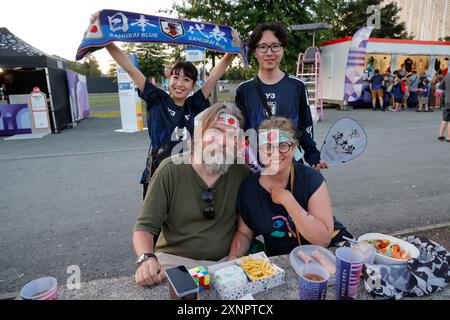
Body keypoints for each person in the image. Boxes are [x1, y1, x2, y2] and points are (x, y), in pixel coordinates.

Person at [90, 13, 236, 200]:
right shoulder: (157, 99)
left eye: (186, 79)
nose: (180, 83)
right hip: (158, 174)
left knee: (185, 224)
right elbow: (130, 68)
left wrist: (231, 50)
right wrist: (106, 40)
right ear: (169, 79)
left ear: (193, 85)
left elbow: (215, 75)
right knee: (155, 226)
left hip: (189, 176)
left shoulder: (196, 104)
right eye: (176, 77)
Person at [133, 102, 249, 286]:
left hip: (222, 264)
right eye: (215, 131)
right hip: (172, 263)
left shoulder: (241, 172)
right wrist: (147, 259)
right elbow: (144, 228)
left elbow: (244, 231)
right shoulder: (170, 170)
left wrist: (231, 262)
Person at [227, 117, 352, 259]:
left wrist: (288, 200)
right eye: (268, 146)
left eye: (283, 145)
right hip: (283, 260)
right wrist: (230, 262)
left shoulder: (311, 179)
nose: (275, 153)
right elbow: (244, 233)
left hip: (330, 252)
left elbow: (323, 240)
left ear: (293, 148)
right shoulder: (249, 188)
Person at [235, 22, 327, 171]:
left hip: (290, 164)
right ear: (255, 51)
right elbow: (240, 133)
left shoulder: (297, 86)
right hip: (255, 168)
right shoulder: (244, 90)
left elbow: (304, 127)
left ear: (283, 49)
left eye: (275, 46)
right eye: (262, 47)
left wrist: (313, 155)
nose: (269, 53)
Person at [437, 72, 450, 142]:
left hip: (447, 100)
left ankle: (440, 135)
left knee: (445, 119)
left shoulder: (447, 75)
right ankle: (449, 137)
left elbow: (440, 86)